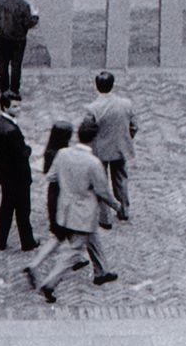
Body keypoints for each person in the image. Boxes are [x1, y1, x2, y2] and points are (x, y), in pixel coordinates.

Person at [29, 119, 124, 302]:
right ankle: (49, 283)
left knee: (92, 237)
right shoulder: (93, 163)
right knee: (74, 250)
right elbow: (103, 191)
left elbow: (52, 176)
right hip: (83, 213)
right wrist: (117, 205)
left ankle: (101, 271)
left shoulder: (63, 154)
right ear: (94, 139)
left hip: (65, 208)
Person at [25, 120, 78, 280]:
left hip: (54, 195)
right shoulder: (63, 155)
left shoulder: (50, 151)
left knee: (64, 232)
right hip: (64, 196)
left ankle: (79, 256)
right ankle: (36, 265)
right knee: (61, 234)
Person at [83, 71, 137, 226]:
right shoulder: (126, 104)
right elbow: (134, 126)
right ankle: (124, 210)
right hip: (120, 148)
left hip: (100, 150)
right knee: (121, 179)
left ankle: (104, 218)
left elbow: (87, 131)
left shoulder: (93, 108)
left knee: (101, 183)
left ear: (96, 86)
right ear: (113, 85)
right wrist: (126, 139)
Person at [0, 92, 38, 252]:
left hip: (4, 173)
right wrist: (29, 148)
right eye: (15, 106)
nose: (19, 109)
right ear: (5, 106)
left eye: (19, 105)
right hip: (18, 176)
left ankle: (1, 240)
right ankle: (27, 241)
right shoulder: (12, 130)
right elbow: (23, 152)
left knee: (6, 207)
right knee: (23, 210)